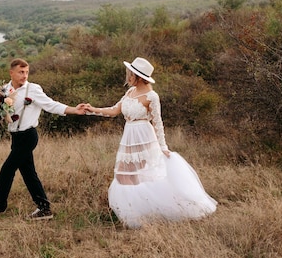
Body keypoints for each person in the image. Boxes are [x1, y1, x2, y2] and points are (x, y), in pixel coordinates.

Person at [82, 57, 217, 228]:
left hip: (144, 136)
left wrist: (163, 147)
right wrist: (92, 109)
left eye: (130, 74)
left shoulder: (151, 96)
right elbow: (114, 110)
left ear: (138, 77)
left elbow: (157, 122)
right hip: (129, 136)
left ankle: (155, 210)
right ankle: (131, 211)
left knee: (145, 174)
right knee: (125, 175)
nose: (127, 77)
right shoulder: (129, 93)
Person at [0, 58, 86, 220]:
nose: (24, 75)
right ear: (11, 73)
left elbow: (52, 105)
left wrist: (74, 110)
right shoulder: (3, 90)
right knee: (28, 173)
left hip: (28, 136)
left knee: (6, 171)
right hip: (15, 137)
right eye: (21, 72)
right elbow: (0, 112)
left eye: (27, 72)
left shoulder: (33, 89)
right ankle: (44, 208)